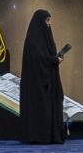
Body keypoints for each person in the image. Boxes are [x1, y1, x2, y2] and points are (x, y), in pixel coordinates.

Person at [16, 9, 67, 144]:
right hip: (37, 84)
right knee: (40, 109)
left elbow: (46, 57)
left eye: (50, 20)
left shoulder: (45, 38)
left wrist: (55, 59)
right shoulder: (33, 40)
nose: (49, 24)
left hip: (48, 81)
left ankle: (51, 136)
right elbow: (39, 59)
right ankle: (39, 136)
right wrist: (54, 60)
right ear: (40, 22)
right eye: (47, 20)